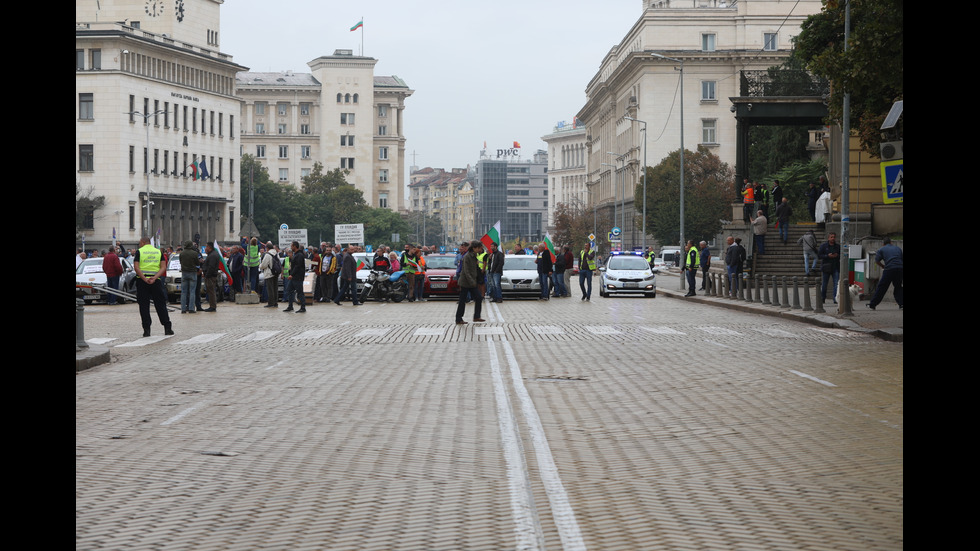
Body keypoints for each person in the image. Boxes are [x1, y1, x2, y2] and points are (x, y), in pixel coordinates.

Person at [133, 236, 174, 337]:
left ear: (143, 242)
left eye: (139, 243)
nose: (139, 244)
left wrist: (144, 278)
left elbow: (136, 267)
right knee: (160, 305)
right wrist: (155, 277)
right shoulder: (158, 252)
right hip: (156, 281)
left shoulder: (139, 252)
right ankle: (167, 328)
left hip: (142, 281)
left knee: (144, 306)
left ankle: (146, 330)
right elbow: (163, 267)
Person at [867, 237, 903, 310]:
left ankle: (873, 304)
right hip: (900, 269)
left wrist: (883, 266)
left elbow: (877, 261)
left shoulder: (881, 249)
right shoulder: (898, 248)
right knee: (898, 286)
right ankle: (901, 303)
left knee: (882, 287)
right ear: (891, 242)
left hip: (889, 269)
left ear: (883, 244)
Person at [455, 240, 485, 324]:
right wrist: (472, 282)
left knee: (478, 298)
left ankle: (476, 316)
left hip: (472, 281)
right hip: (466, 282)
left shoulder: (474, 255)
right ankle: (458, 319)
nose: (480, 250)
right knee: (462, 300)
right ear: (474, 248)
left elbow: (475, 268)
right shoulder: (467, 256)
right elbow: (466, 271)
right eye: (479, 248)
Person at [284, 241, 307, 313]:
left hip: (298, 277)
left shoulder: (299, 255)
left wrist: (292, 274)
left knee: (300, 292)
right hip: (294, 277)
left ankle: (303, 307)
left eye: (291, 246)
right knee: (289, 290)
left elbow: (298, 266)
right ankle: (290, 306)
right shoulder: (296, 255)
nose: (291, 247)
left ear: (295, 246)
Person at [818, 232, 841, 304]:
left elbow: (841, 255)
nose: (833, 238)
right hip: (826, 267)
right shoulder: (824, 246)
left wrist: (837, 255)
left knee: (836, 283)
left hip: (835, 267)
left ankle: (835, 299)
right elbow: (819, 255)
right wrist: (827, 256)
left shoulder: (837, 246)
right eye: (831, 237)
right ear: (828, 238)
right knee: (824, 284)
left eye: (834, 237)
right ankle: (822, 298)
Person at [178, 240, 199, 314]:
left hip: (184, 273)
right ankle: (191, 308)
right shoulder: (194, 253)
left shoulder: (182, 253)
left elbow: (180, 262)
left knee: (183, 292)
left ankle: (183, 309)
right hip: (192, 273)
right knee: (192, 291)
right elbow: (197, 263)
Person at [260, 241, 280, 308]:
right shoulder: (276, 254)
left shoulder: (268, 255)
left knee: (270, 289)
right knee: (275, 288)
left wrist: (260, 266)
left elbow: (264, 265)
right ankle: (275, 302)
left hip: (269, 273)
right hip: (276, 273)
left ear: (267, 248)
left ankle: (270, 303)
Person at [202, 242, 220, 312]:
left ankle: (212, 306)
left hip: (210, 276)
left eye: (206, 247)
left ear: (209, 247)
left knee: (211, 292)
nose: (205, 249)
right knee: (210, 291)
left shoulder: (212, 255)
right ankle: (212, 305)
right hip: (211, 275)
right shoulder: (212, 254)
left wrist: (206, 275)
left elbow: (211, 267)